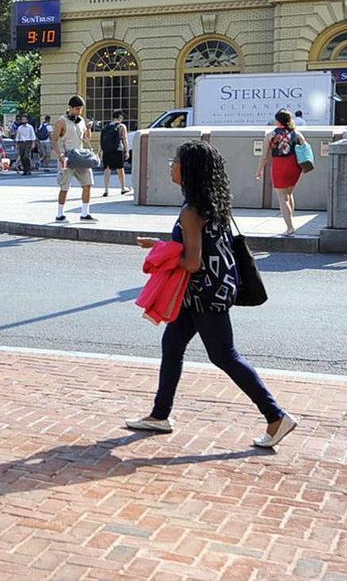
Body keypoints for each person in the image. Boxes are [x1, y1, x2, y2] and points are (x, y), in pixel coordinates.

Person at [128, 141, 298, 449]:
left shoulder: (191, 211)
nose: (171, 166)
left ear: (189, 170)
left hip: (203, 294)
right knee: (173, 344)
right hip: (208, 290)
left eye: (176, 161)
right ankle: (159, 415)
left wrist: (159, 252)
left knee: (224, 355)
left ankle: (276, 416)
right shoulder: (212, 203)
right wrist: (161, 243)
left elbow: (192, 262)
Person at [256, 109, 304, 237]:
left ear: (277, 121)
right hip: (294, 166)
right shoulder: (297, 134)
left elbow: (264, 156)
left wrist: (259, 170)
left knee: (282, 198)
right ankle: (291, 222)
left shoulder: (270, 135)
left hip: (279, 166)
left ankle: (290, 228)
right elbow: (305, 149)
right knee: (289, 194)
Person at [54, 95, 96, 222]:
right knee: (65, 187)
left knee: (88, 183)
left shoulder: (81, 121)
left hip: (81, 156)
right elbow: (54, 139)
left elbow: (86, 139)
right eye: (77, 109)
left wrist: (88, 128)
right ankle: (60, 214)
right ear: (70, 108)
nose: (79, 111)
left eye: (81, 109)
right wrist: (59, 154)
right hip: (66, 157)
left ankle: (85, 213)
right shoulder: (62, 121)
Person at [100, 111, 132, 197]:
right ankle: (122, 188)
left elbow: (102, 140)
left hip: (107, 151)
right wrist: (127, 151)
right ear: (120, 117)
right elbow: (124, 139)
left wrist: (101, 152)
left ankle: (106, 190)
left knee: (107, 170)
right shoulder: (121, 126)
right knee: (120, 169)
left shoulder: (106, 126)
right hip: (118, 150)